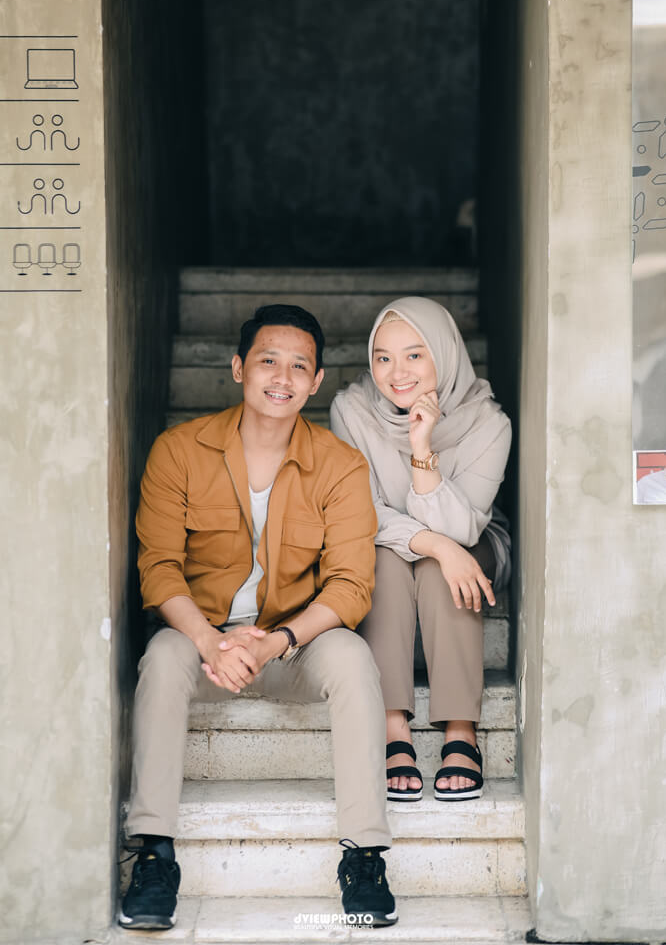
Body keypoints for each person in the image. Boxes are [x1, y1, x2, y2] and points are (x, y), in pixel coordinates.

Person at [120, 304, 397, 931]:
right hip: (201, 642)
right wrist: (208, 641)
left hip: (291, 645)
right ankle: (155, 856)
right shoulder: (179, 450)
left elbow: (352, 585)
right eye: (268, 360)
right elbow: (158, 568)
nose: (282, 376)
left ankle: (364, 856)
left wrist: (276, 642)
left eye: (299, 366)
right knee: (161, 657)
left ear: (316, 381)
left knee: (353, 657)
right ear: (239, 367)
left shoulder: (341, 464)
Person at [330, 297, 511, 803]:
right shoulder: (352, 411)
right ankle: (393, 726)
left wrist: (421, 449)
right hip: (384, 540)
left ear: (444, 354)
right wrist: (432, 543)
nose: (397, 373)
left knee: (438, 568)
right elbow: (360, 512)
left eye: (414, 355)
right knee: (385, 560)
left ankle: (461, 729)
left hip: (474, 543)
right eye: (383, 357)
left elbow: (462, 529)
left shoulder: (488, 422)